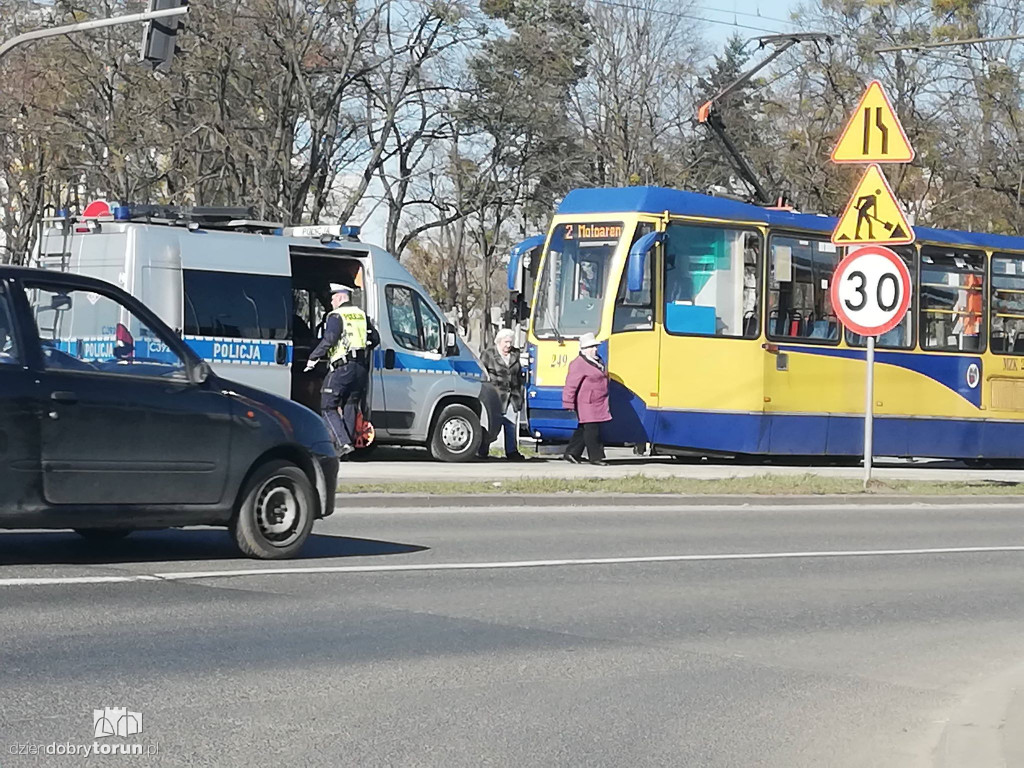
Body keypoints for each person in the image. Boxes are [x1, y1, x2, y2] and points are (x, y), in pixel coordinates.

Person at [305, 283, 377, 457]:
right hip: (360, 368)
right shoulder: (361, 315)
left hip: (342, 367)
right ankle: (349, 447)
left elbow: (329, 339)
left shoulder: (336, 316)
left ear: (340, 297)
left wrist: (313, 358)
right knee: (350, 405)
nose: (331, 301)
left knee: (328, 406)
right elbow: (375, 339)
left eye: (332, 297)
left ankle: (343, 443)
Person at [561, 332, 611, 466]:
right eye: (591, 347)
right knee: (592, 430)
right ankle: (595, 457)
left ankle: (571, 453)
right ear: (584, 349)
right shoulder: (578, 363)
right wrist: (568, 402)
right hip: (586, 402)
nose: (595, 349)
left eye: (595, 346)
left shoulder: (597, 360)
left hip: (597, 401)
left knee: (583, 428)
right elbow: (571, 384)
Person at [479, 328, 525, 461]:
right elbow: (483, 373)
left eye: (510, 342)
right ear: (499, 341)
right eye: (506, 342)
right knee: (491, 424)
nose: (508, 345)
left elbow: (519, 374)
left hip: (512, 396)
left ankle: (512, 452)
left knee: (511, 425)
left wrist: (520, 392)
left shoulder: (515, 354)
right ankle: (482, 450)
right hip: (494, 396)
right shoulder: (488, 354)